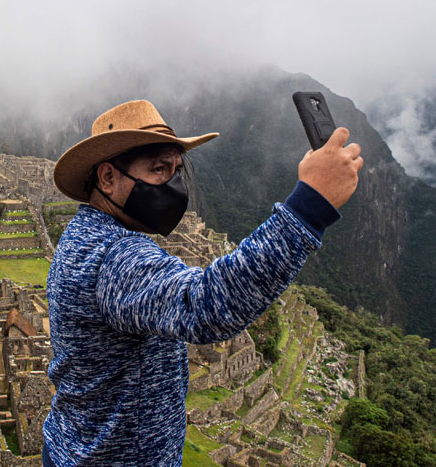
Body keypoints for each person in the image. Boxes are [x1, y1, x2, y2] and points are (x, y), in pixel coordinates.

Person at [42, 99, 362, 466]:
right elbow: (205, 304)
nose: (174, 184)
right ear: (108, 177)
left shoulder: (83, 233)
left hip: (73, 445)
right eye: (159, 170)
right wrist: (309, 205)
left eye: (177, 170)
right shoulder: (114, 258)